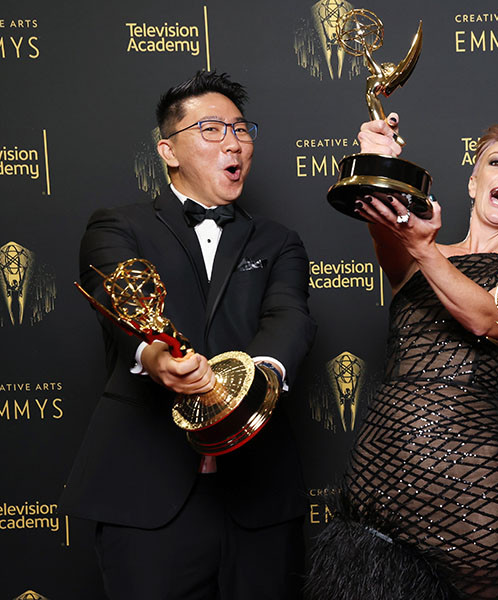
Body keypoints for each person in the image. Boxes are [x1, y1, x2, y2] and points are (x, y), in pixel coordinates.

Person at [60, 71, 316, 599]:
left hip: (258, 500)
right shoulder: (117, 227)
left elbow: (288, 316)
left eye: (242, 130)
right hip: (146, 497)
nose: (234, 143)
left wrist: (249, 386)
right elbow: (116, 300)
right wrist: (154, 358)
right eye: (212, 129)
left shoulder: (279, 241)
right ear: (168, 150)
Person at [306, 111, 498, 600]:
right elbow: (382, 220)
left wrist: (425, 249)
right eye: (496, 163)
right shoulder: (414, 256)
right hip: (380, 481)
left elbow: (485, 318)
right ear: (472, 182)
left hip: (471, 500)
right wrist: (377, 158)